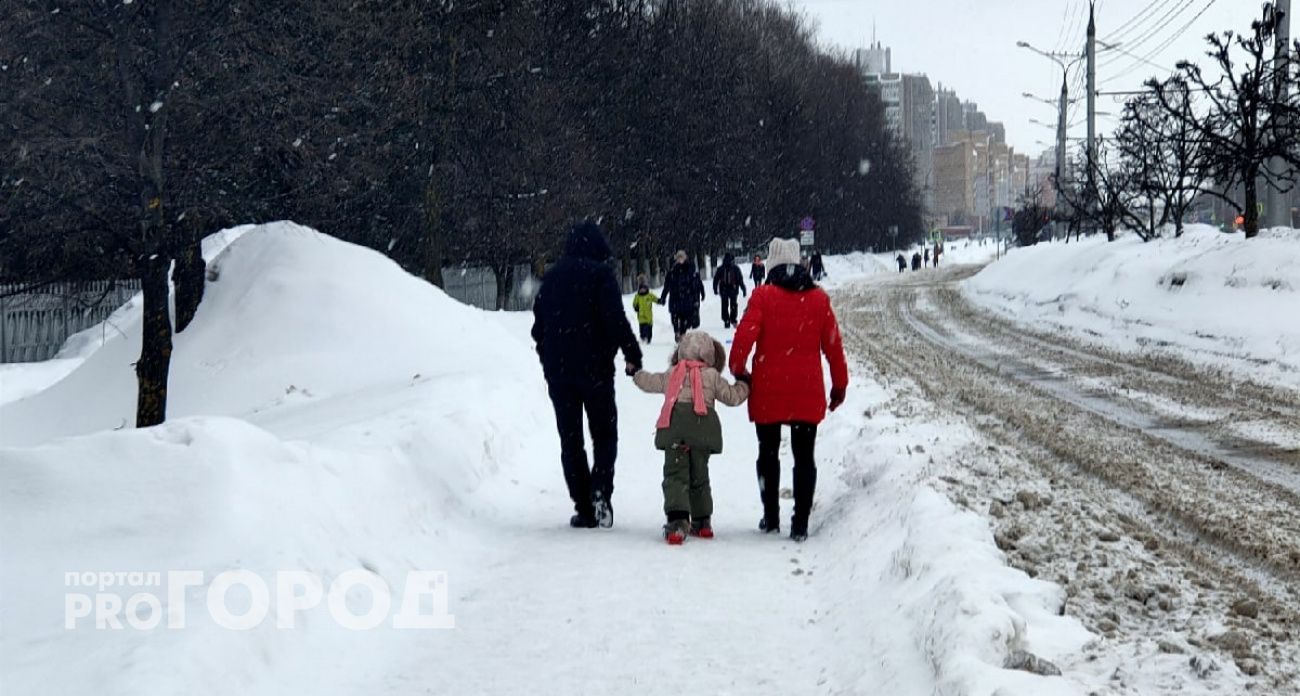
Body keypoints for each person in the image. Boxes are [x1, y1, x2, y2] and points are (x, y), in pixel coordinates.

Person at [730, 238, 848, 542]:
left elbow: (743, 338)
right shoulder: (818, 299)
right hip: (806, 390)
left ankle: (771, 517)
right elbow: (834, 347)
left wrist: (739, 370)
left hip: (768, 389)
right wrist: (839, 385)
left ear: (772, 266)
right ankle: (800, 523)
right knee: (804, 456)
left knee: (767, 452)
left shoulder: (763, 296)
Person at [531, 221, 643, 529]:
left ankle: (583, 506)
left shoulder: (551, 278)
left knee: (571, 441)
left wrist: (548, 358)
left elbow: (538, 329)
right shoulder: (600, 275)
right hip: (596, 371)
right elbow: (614, 320)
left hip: (560, 375)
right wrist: (632, 355)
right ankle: (600, 490)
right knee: (604, 434)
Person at [633, 330, 750, 544]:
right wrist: (745, 384)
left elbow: (650, 382)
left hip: (676, 430)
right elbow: (732, 397)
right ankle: (702, 522)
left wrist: (635, 374)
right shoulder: (712, 376)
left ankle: (677, 522)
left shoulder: (673, 373)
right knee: (699, 476)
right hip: (702, 430)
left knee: (676, 475)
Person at [659, 250, 706, 341]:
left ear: (685, 258)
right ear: (676, 259)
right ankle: (677, 332)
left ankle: (682, 334)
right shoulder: (672, 272)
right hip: (675, 299)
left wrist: (701, 294)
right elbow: (666, 286)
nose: (680, 260)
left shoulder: (690, 270)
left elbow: (697, 284)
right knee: (675, 318)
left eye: (682, 257)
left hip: (686, 300)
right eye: (678, 258)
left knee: (685, 319)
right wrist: (663, 297)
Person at [712, 253, 748, 329]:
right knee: (733, 305)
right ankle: (733, 319)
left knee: (724, 305)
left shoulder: (721, 268)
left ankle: (726, 320)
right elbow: (740, 280)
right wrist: (743, 288)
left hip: (724, 289)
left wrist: (715, 288)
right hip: (733, 289)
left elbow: (716, 279)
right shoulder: (735, 268)